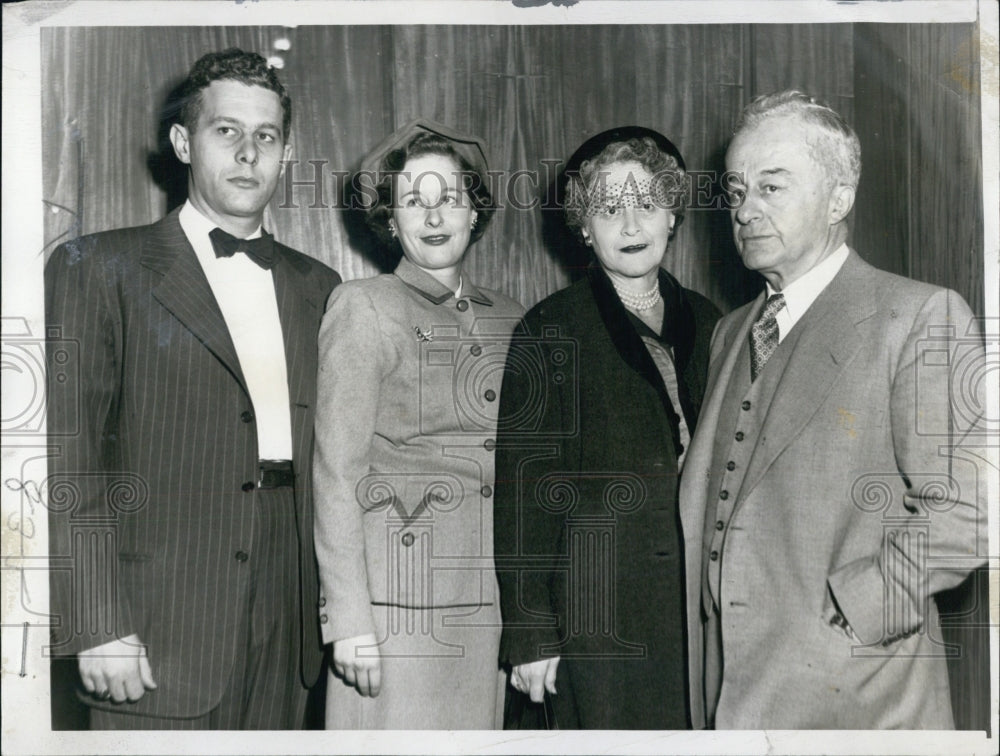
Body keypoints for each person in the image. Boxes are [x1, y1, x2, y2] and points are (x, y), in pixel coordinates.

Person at [45, 48, 341, 729]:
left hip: (287, 613)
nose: (248, 153)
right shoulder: (98, 266)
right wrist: (96, 622)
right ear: (182, 142)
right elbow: (66, 459)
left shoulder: (319, 286)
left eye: (266, 136)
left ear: (287, 153)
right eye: (226, 131)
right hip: (154, 617)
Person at [679, 90, 988, 729]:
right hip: (730, 700)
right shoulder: (729, 331)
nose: (746, 210)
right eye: (736, 191)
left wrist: (860, 604)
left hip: (859, 700)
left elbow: (973, 511)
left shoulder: (920, 316)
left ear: (839, 198)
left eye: (772, 186)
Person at [493, 126, 720, 729]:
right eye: (608, 210)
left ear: (672, 214)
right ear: (583, 227)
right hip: (596, 608)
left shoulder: (711, 320)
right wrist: (531, 630)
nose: (630, 226)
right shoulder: (550, 329)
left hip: (698, 605)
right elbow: (524, 490)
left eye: (646, 204)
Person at [313, 119, 525, 729]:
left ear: (474, 211)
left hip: (486, 609)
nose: (433, 217)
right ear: (391, 218)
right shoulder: (363, 306)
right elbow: (337, 472)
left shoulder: (511, 317)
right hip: (393, 609)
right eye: (413, 201)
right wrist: (348, 618)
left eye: (448, 199)